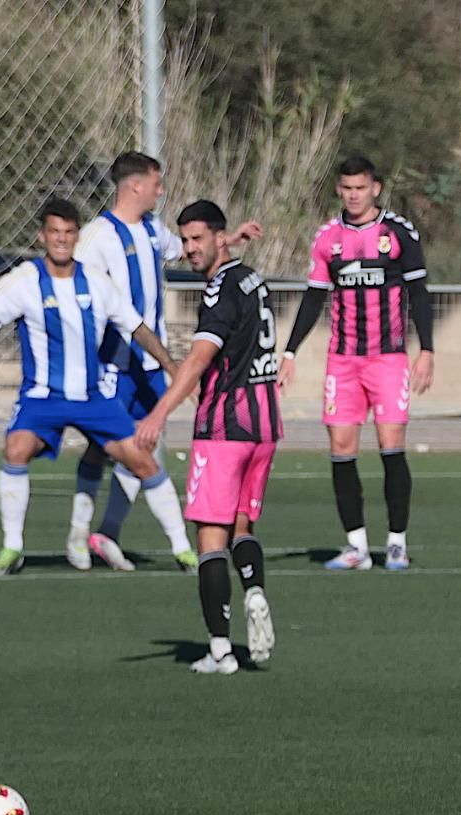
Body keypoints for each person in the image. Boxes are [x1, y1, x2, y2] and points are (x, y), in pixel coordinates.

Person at [0, 197, 193, 576]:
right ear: (41, 236)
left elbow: (138, 328)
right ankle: (12, 548)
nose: (61, 239)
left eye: (68, 232)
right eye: (54, 232)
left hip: (93, 397)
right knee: (16, 448)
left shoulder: (97, 283)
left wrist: (173, 367)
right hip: (42, 398)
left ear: (77, 236)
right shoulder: (22, 282)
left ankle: (183, 550)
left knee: (144, 460)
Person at [68, 152, 260, 573]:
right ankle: (79, 536)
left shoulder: (154, 228)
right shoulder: (98, 236)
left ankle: (108, 534)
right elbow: (76, 294)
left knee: (145, 446)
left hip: (152, 364)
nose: (162, 189)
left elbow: (190, 247)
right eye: (157, 182)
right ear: (136, 185)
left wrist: (233, 237)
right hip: (113, 363)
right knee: (104, 450)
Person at [136, 201, 281, 675]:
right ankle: (255, 590)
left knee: (210, 540)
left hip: (224, 427)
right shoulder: (251, 278)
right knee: (243, 528)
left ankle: (220, 651)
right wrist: (230, 239)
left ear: (218, 238)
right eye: (186, 240)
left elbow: (199, 358)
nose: (189, 248)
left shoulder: (219, 292)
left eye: (198, 239)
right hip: (264, 425)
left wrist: (159, 413)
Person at [278, 156, 434, 571]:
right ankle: (356, 547)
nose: (353, 195)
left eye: (360, 188)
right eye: (346, 188)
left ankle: (396, 542)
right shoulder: (328, 237)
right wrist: (290, 351)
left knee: (390, 446)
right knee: (341, 450)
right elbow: (313, 297)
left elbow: (419, 294)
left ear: (375, 189)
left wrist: (428, 350)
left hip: (388, 359)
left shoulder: (398, 233)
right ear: (339, 190)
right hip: (343, 361)